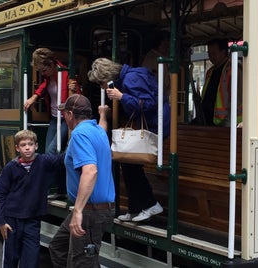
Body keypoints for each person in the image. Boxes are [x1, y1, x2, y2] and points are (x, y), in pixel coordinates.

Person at [88, 57, 171, 222]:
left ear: (107, 78)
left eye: (101, 83)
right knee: (128, 164)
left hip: (156, 125)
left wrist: (122, 97)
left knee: (130, 164)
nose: (102, 88)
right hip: (154, 124)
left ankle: (150, 204)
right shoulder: (130, 77)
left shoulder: (131, 79)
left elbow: (147, 104)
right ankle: (135, 208)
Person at [48, 94, 115, 267]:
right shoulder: (97, 130)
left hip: (90, 212)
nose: (64, 117)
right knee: (58, 247)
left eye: (64, 114)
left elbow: (90, 171)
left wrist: (77, 211)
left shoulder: (79, 134)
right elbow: (103, 127)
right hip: (92, 209)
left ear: (70, 114)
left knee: (81, 263)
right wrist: (103, 115)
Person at [0, 129, 64, 268]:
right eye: (23, 145)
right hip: (11, 220)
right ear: (17, 148)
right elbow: (0, 194)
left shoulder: (43, 161)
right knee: (11, 259)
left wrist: (75, 139)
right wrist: (1, 221)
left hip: (32, 220)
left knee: (31, 261)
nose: (27, 147)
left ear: (36, 146)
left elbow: (61, 159)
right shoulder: (11, 167)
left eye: (30, 144)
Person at [24, 47, 81, 154]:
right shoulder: (48, 78)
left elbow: (78, 98)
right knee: (48, 150)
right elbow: (44, 86)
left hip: (66, 118)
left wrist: (75, 89)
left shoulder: (66, 74)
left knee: (52, 150)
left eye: (44, 70)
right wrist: (34, 96)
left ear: (51, 64)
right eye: (40, 71)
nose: (42, 73)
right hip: (54, 118)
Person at [194, 38, 243, 127]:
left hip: (225, 120)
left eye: (214, 53)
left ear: (223, 52)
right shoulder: (210, 71)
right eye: (209, 54)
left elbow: (238, 97)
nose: (211, 57)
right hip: (208, 119)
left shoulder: (234, 69)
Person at [141, 31, 170, 97]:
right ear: (161, 44)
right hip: (157, 96)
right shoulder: (155, 58)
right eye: (165, 43)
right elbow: (165, 82)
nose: (167, 46)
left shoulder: (150, 56)